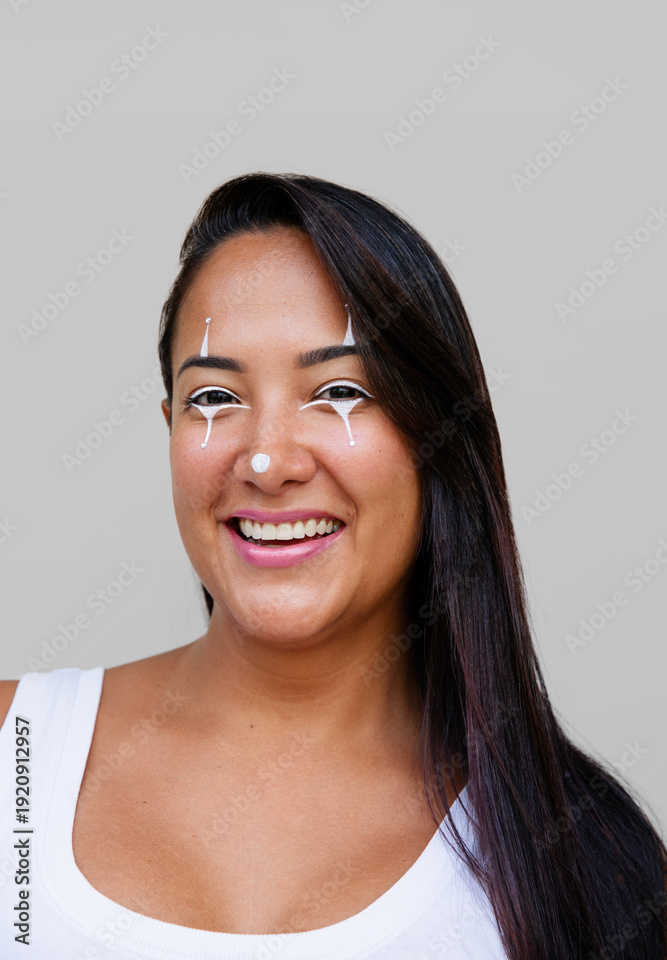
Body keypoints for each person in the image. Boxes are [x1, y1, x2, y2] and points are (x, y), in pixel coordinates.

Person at [0, 171, 664, 959]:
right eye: (213, 399)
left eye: (340, 391)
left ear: (436, 437)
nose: (268, 461)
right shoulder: (16, 754)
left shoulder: (585, 858)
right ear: (169, 425)